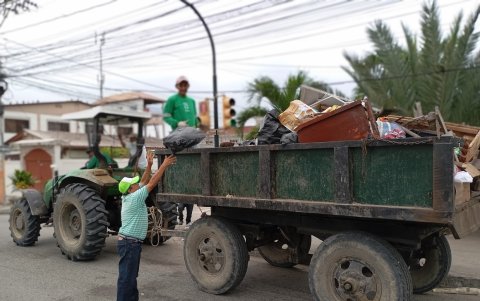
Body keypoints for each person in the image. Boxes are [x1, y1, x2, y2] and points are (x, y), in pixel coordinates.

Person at [116, 152, 176, 301]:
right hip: (129, 243)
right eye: (134, 184)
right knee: (127, 278)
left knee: (130, 277)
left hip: (130, 243)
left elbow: (143, 181)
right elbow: (151, 183)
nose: (138, 184)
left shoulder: (129, 195)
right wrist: (163, 165)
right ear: (131, 189)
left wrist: (149, 165)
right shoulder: (135, 198)